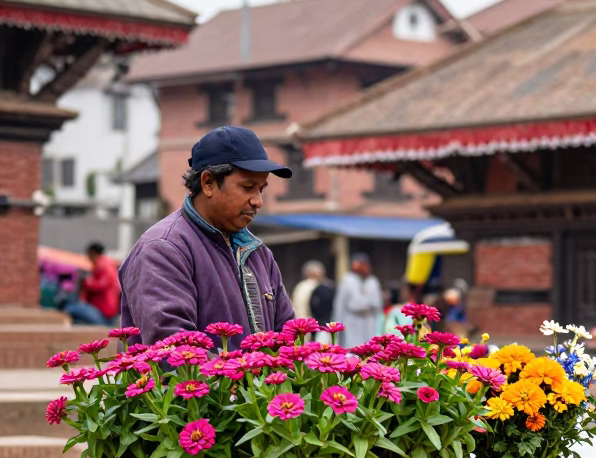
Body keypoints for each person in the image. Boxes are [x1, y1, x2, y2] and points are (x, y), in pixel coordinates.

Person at [119, 126, 295, 343]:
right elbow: (174, 352)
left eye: (261, 189)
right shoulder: (163, 249)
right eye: (248, 187)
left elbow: (289, 341)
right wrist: (249, 373)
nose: (258, 200)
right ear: (208, 182)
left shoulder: (258, 254)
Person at [61, 243, 121, 326]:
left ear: (92, 253)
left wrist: (86, 281)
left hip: (104, 314)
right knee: (76, 317)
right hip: (105, 312)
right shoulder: (107, 263)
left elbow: (100, 285)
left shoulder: (103, 265)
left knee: (70, 307)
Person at [334, 252, 383, 347]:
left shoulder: (372, 281)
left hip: (369, 323)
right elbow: (353, 304)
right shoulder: (348, 280)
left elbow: (377, 303)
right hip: (352, 323)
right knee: (352, 351)